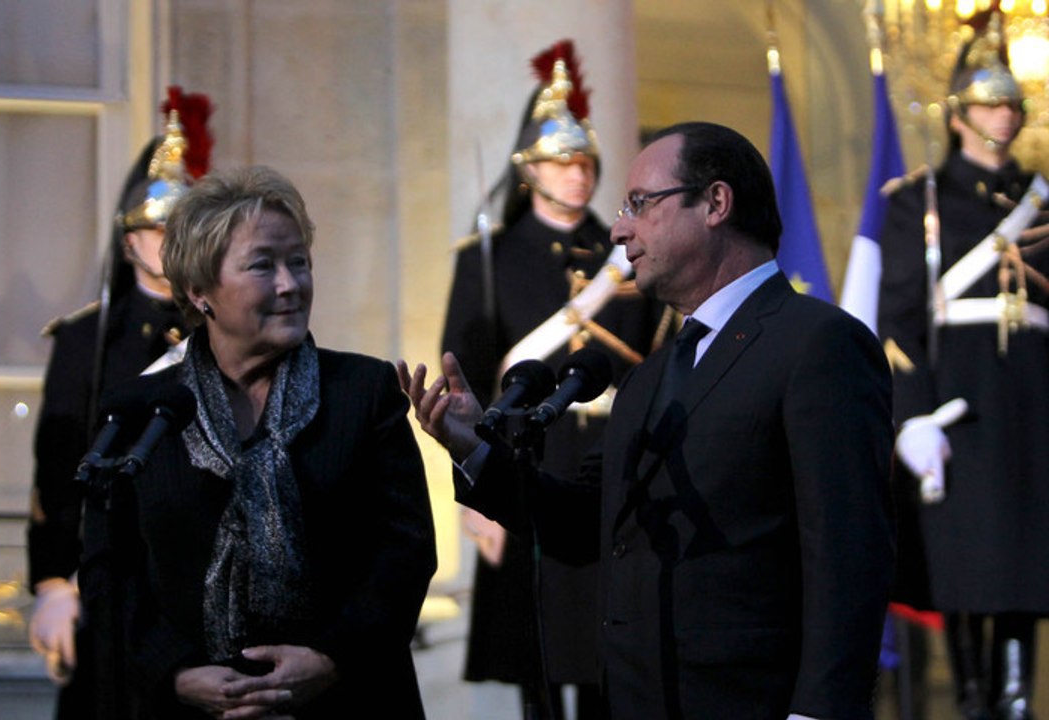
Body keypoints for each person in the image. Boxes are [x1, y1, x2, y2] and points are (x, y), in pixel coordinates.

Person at [401, 121, 896, 719]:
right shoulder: (648, 376)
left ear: (715, 203)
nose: (618, 230)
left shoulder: (818, 344)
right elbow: (585, 521)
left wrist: (819, 711)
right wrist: (473, 449)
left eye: (640, 204)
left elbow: (848, 554)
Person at [78, 165, 438, 718]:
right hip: (185, 707)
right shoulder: (140, 411)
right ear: (200, 290)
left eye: (299, 262)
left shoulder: (363, 392)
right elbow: (111, 571)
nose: (290, 284)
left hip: (347, 698)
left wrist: (330, 659)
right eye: (262, 265)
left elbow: (405, 552)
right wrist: (175, 673)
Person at [442, 39, 670, 719]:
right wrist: (473, 494)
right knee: (533, 648)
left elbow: (656, 354)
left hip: (610, 452)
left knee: (607, 646)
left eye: (585, 162)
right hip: (527, 452)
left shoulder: (626, 250)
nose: (577, 175)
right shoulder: (488, 259)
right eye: (562, 162)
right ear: (529, 168)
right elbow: (466, 378)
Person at [879, 12, 1049, 719]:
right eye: (988, 103)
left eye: (1011, 104)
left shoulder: (1042, 199)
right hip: (959, 403)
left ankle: (1016, 694)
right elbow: (898, 319)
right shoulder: (917, 201)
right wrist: (914, 413)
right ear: (958, 115)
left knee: (1028, 563)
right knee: (966, 562)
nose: (1003, 116)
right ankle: (975, 695)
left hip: (1033, 403)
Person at [27, 90, 209, 719]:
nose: (169, 241)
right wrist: (53, 581)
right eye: (156, 229)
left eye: (182, 229)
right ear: (130, 239)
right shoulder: (86, 339)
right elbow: (57, 466)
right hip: (107, 574)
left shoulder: (223, 329)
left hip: (198, 577)